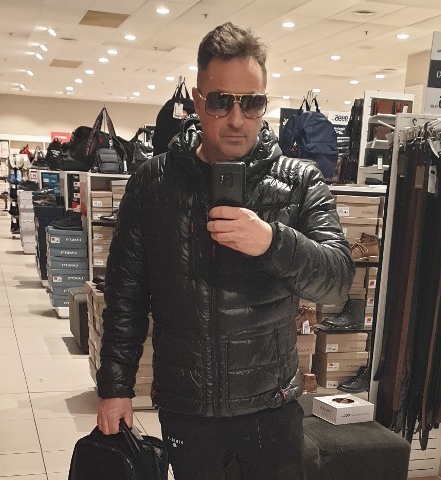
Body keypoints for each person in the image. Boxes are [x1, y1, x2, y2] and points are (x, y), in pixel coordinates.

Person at [96, 22, 354, 480]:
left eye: (251, 103)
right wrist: (115, 388)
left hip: (271, 406)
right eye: (221, 101)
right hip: (187, 408)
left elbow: (337, 280)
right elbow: (126, 296)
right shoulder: (153, 183)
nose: (237, 119)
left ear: (263, 104)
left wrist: (273, 242)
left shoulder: (300, 181)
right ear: (198, 101)